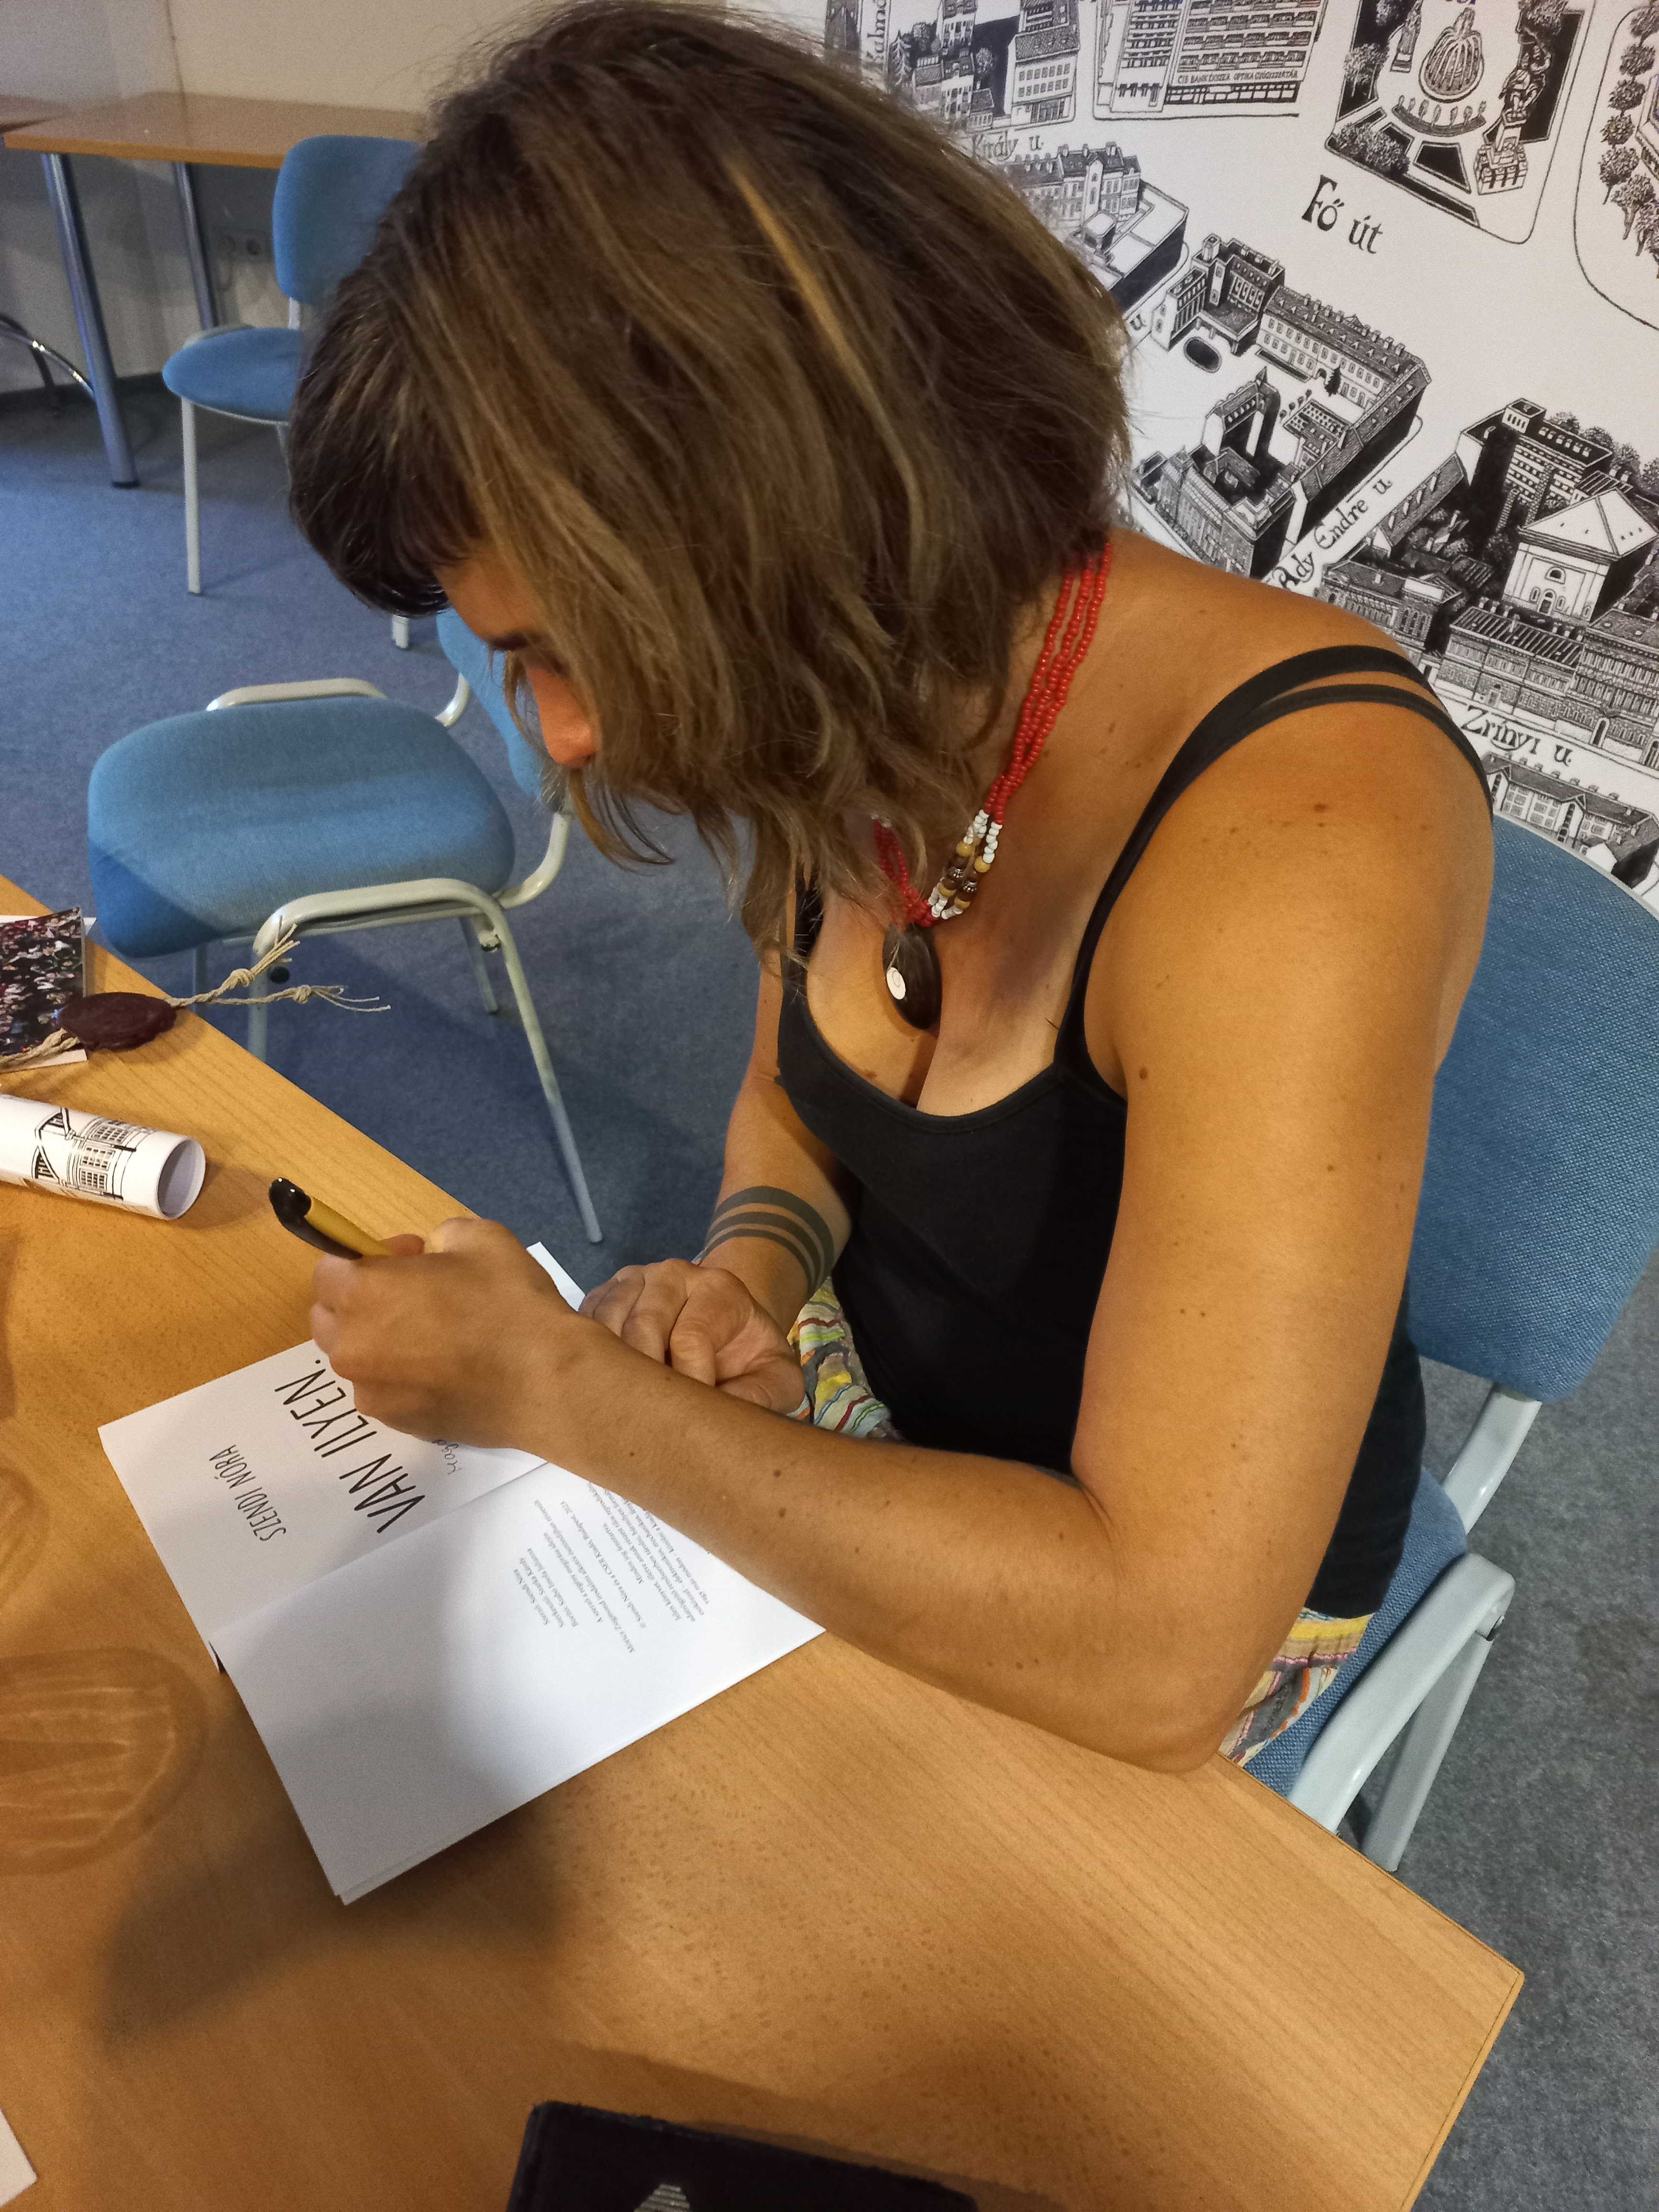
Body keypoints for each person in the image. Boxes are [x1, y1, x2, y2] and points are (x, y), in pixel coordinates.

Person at [288, 0, 1493, 1774]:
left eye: (564, 649)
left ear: (778, 524)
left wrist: (569, 1396)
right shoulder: (863, 684)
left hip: (1151, 1597)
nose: (560, 734)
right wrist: (751, 1268)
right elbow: (798, 1097)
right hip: (870, 1412)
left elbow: (1159, 1657)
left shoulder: (1308, 837)